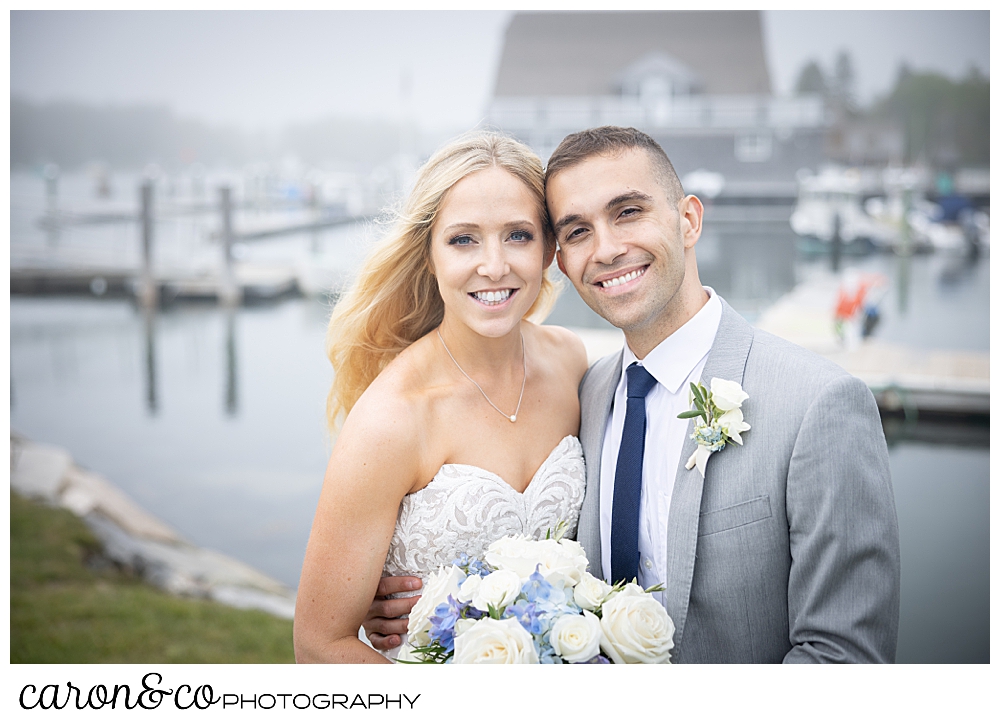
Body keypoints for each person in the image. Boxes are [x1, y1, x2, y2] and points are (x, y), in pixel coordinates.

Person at [364, 126, 901, 663]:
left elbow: (844, 660)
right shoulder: (588, 391)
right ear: (562, 259)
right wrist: (439, 605)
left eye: (628, 213)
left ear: (688, 219)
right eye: (577, 232)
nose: (607, 250)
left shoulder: (819, 405)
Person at [293, 131, 589, 663]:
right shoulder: (394, 418)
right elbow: (318, 645)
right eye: (463, 239)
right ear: (428, 254)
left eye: (518, 235)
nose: (494, 265)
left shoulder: (571, 363)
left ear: (549, 250)